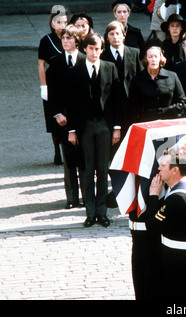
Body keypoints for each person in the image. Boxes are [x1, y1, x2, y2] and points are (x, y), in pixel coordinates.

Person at [66, 33, 122, 228]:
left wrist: (116, 127)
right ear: (84, 49)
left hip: (105, 125)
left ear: (102, 50)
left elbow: (117, 99)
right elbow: (70, 103)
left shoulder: (110, 68)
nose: (94, 52)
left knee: (103, 169)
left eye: (98, 49)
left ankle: (102, 212)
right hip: (85, 126)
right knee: (87, 170)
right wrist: (72, 130)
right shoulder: (75, 71)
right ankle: (90, 213)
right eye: (91, 48)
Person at [142, 148, 186, 299]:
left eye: (163, 166)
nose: (159, 168)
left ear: (175, 170)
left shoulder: (177, 198)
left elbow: (151, 226)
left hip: (178, 261)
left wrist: (153, 197)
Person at [47, 24, 86, 210]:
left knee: (85, 158)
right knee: (68, 159)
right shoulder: (55, 63)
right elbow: (51, 93)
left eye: (69, 38)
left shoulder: (86, 61)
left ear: (77, 41)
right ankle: (72, 198)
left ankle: (87, 196)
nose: (65, 41)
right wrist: (57, 114)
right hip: (63, 119)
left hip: (83, 118)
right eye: (63, 38)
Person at [101, 21, 143, 137]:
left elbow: (141, 78)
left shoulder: (135, 53)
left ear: (124, 36)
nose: (115, 37)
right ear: (107, 37)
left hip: (132, 106)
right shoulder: (102, 56)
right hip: (110, 107)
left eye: (118, 33)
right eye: (111, 34)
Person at [38, 6, 68, 165]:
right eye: (58, 22)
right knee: (53, 119)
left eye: (64, 21)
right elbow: (41, 64)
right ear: (52, 22)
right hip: (52, 81)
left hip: (68, 80)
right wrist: (44, 86)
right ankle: (57, 150)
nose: (61, 25)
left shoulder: (70, 37)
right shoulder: (46, 40)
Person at [128, 44, 186, 123]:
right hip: (146, 124)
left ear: (160, 59)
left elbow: (183, 102)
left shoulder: (172, 76)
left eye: (156, 56)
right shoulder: (137, 80)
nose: (153, 59)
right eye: (150, 57)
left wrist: (168, 111)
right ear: (146, 59)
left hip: (169, 123)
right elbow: (132, 107)